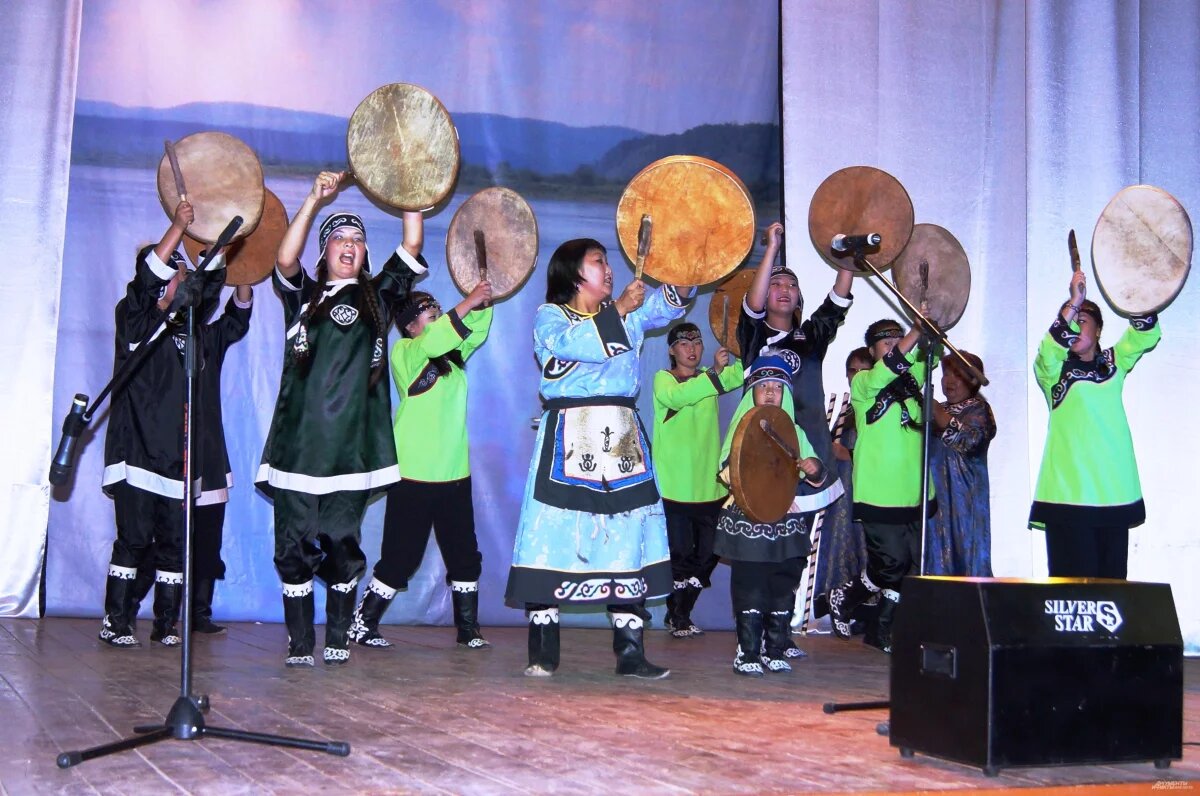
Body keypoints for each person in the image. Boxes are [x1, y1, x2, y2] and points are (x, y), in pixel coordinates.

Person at [256, 171, 424, 667]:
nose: (349, 247)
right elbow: (284, 259)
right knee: (291, 548)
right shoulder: (303, 297)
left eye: (358, 240)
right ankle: (299, 641)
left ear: (366, 253)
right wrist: (313, 199)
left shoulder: (379, 297)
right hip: (296, 449)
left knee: (341, 546)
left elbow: (412, 238)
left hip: (351, 453)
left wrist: (414, 175)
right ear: (325, 250)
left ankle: (335, 635)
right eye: (339, 240)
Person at [505, 238, 693, 678]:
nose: (609, 269)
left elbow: (669, 304)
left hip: (621, 434)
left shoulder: (630, 310)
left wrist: (692, 256)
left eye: (608, 262)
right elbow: (569, 348)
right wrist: (619, 312)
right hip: (569, 431)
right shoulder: (550, 317)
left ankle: (630, 651)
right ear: (574, 274)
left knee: (627, 533)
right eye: (599, 262)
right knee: (550, 532)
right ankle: (543, 647)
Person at [99, 201, 251, 647]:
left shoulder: (193, 331)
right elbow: (146, 281)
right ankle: (117, 622)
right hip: (137, 454)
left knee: (173, 547)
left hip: (177, 463)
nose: (182, 276)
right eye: (174, 270)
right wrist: (178, 226)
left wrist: (227, 248)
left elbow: (212, 286)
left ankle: (166, 625)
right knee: (132, 542)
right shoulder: (135, 320)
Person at [348, 277, 493, 650]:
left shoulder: (454, 360)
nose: (439, 317)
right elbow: (436, 339)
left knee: (464, 553)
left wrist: (484, 302)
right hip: (413, 472)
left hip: (454, 473)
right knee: (402, 555)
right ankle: (362, 624)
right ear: (411, 324)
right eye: (431, 314)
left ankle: (467, 628)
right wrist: (468, 302)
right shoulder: (406, 351)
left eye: (439, 312)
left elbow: (473, 331)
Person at [737, 222, 852, 654]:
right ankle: (753, 634)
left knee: (793, 547)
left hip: (809, 452)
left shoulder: (811, 338)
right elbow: (751, 302)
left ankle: (780, 635)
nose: (783, 290)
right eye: (776, 284)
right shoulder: (753, 338)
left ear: (799, 299)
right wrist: (772, 248)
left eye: (791, 286)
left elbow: (838, 299)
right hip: (763, 454)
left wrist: (848, 258)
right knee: (762, 546)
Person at [1029, 271, 1160, 578]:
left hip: (1112, 493)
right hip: (1067, 495)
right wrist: (1075, 301)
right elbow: (1047, 352)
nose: (1075, 324)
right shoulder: (1054, 373)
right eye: (1071, 318)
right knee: (1070, 594)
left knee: (1111, 591)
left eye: (1083, 319)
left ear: (1099, 330)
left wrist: (1136, 287)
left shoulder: (1115, 363)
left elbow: (1144, 336)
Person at [828, 315, 937, 653]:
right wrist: (915, 332)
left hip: (915, 488)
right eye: (885, 343)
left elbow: (923, 357)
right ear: (873, 351)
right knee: (891, 563)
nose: (893, 346)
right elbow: (890, 367)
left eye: (897, 339)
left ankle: (869, 618)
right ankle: (863, 611)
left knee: (904, 565)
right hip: (879, 490)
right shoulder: (863, 382)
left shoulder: (913, 379)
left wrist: (930, 330)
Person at [715, 352, 827, 676]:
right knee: (750, 583)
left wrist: (812, 466)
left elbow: (817, 475)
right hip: (748, 514)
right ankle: (747, 651)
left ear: (786, 395)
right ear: (751, 391)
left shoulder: (795, 433)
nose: (769, 392)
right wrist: (750, 484)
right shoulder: (741, 429)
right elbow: (725, 470)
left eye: (776, 387)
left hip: (785, 518)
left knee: (783, 582)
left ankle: (774, 647)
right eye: (763, 385)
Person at [651, 322, 743, 638]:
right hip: (675, 486)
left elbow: (743, 372)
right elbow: (679, 398)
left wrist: (748, 337)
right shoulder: (664, 380)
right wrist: (713, 375)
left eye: (697, 343)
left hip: (709, 486)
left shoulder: (709, 377)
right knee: (680, 556)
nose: (692, 349)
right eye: (684, 344)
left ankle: (678, 611)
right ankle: (679, 616)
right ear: (672, 350)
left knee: (709, 554)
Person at [926, 350, 996, 576]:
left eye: (957, 374)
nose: (949, 381)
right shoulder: (936, 410)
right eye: (946, 374)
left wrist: (937, 412)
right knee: (934, 553)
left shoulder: (978, 408)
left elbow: (970, 441)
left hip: (964, 497)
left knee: (965, 552)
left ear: (974, 379)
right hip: (934, 497)